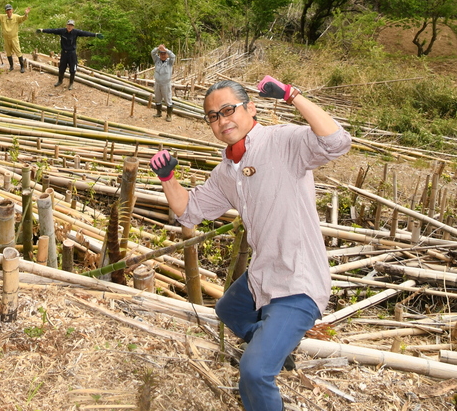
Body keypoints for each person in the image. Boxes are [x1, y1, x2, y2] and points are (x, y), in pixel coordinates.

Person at [149, 76, 351, 411]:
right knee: (229, 309)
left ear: (251, 108)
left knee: (254, 372)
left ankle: (270, 353)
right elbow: (189, 210)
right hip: (263, 273)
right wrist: (168, 179)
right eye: (213, 116)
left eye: (228, 109)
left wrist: (293, 95)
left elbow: (336, 142)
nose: (222, 120)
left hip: (298, 281)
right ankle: (277, 346)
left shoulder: (282, 141)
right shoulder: (228, 169)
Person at [36, 20, 103, 88]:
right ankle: (60, 81)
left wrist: (95, 35)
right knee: (61, 68)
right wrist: (42, 30)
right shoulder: (62, 31)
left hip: (72, 54)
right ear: (66, 25)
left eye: (71, 25)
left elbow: (85, 33)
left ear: (73, 26)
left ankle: (71, 83)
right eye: (68, 25)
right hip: (64, 53)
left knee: (72, 69)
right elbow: (53, 30)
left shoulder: (76, 32)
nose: (69, 27)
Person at [0, 2, 30, 72]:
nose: (8, 11)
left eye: (10, 10)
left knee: (18, 51)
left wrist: (26, 14)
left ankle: (22, 67)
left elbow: (23, 18)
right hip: (6, 39)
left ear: (12, 10)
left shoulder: (16, 17)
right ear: (5, 11)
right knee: (8, 52)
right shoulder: (3, 17)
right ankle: (11, 66)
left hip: (14, 38)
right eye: (7, 10)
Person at [151, 44, 176, 121]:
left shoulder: (170, 62)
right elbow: (152, 53)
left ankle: (169, 115)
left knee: (168, 99)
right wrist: (157, 48)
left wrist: (166, 50)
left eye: (164, 54)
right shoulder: (157, 60)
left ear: (167, 55)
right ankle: (159, 112)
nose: (163, 55)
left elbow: (173, 56)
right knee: (157, 98)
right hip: (157, 83)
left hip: (166, 83)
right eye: (161, 54)